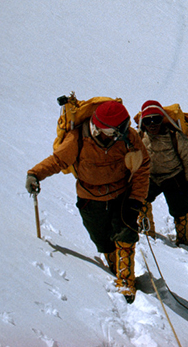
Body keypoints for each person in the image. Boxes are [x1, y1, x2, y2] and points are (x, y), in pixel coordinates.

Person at [26, 100, 150, 303]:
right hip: (90, 198)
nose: (123, 133)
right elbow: (58, 160)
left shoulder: (128, 137)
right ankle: (114, 266)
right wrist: (35, 174)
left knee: (126, 230)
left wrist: (135, 200)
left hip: (122, 195)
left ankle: (126, 281)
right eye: (117, 130)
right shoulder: (78, 138)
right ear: (103, 128)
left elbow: (142, 166)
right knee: (102, 239)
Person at [137, 100, 188, 245]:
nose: (152, 124)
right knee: (140, 199)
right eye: (148, 120)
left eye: (156, 119)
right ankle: (147, 231)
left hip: (173, 177)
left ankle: (182, 239)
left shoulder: (175, 135)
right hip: (151, 176)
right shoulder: (139, 137)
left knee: (180, 208)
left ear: (162, 119)